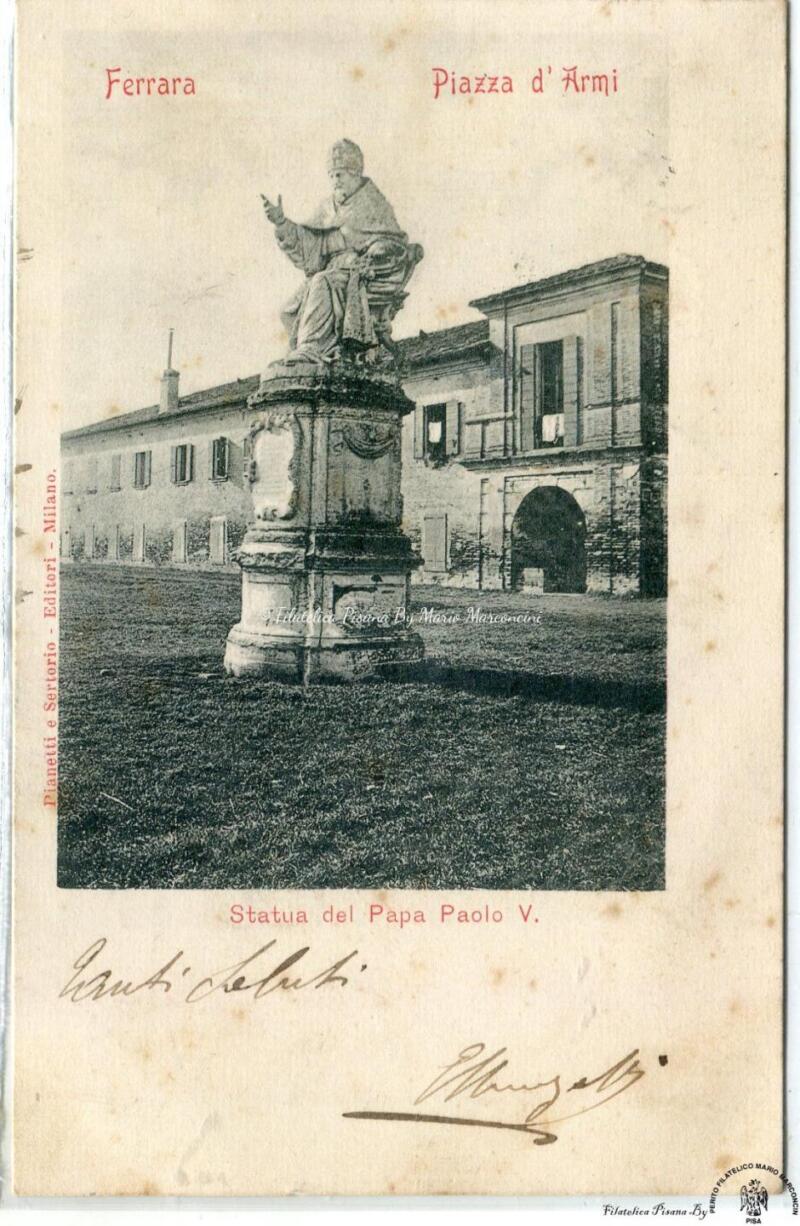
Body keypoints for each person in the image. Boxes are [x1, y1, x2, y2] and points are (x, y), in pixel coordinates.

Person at [262, 140, 411, 366]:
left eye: (340, 175)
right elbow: (308, 244)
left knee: (321, 282)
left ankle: (311, 349)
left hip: (358, 273)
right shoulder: (327, 207)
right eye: (332, 176)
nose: (335, 181)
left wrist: (373, 254)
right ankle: (315, 352)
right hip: (330, 272)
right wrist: (281, 222)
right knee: (288, 310)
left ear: (355, 174)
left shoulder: (374, 204)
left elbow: (393, 243)